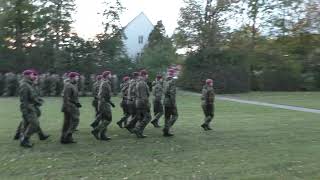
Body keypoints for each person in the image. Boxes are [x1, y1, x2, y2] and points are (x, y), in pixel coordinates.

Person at [19, 70, 46, 148]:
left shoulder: (29, 84)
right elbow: (24, 99)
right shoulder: (24, 85)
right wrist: (26, 109)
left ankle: (23, 139)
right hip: (28, 107)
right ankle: (25, 139)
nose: (33, 76)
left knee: (26, 124)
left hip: (32, 106)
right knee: (34, 124)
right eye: (31, 74)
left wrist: (38, 101)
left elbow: (32, 96)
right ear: (27, 75)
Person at [91, 71, 115, 141]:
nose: (111, 75)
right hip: (104, 103)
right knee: (108, 119)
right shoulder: (105, 83)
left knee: (104, 119)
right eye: (110, 74)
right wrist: (108, 102)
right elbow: (103, 95)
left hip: (104, 102)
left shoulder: (105, 82)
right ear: (107, 75)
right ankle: (96, 130)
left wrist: (110, 102)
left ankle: (103, 135)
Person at [60, 72, 82, 144]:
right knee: (75, 120)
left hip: (72, 105)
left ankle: (65, 138)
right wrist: (68, 107)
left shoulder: (73, 85)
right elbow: (65, 97)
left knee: (67, 123)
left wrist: (77, 103)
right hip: (70, 106)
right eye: (76, 77)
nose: (78, 78)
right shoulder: (68, 85)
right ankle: (67, 135)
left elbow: (73, 96)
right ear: (72, 77)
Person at [132, 70, 151, 138]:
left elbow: (134, 91)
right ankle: (137, 129)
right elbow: (144, 96)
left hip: (138, 102)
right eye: (147, 74)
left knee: (141, 118)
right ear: (144, 75)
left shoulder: (138, 82)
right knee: (148, 117)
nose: (147, 76)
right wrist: (147, 105)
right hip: (142, 103)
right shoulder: (142, 83)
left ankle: (139, 133)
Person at [163, 69, 178, 137]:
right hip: (170, 101)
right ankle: (166, 129)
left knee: (167, 117)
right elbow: (172, 93)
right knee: (175, 115)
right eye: (174, 73)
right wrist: (173, 103)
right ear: (173, 74)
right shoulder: (172, 81)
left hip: (165, 101)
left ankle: (166, 132)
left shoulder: (165, 81)